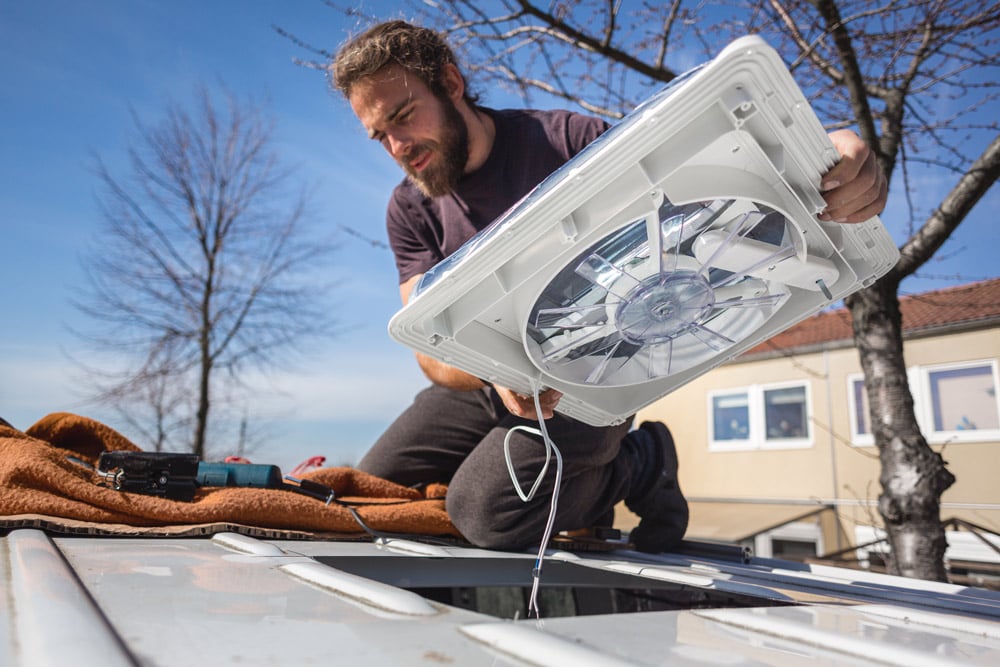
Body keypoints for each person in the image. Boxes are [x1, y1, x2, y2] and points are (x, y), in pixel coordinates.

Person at [331, 20, 888, 552]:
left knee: (483, 513)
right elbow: (429, 352)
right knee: (360, 492)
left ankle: (642, 461)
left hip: (591, 374)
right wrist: (501, 370)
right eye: (379, 136)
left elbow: (705, 183)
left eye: (403, 116)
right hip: (488, 381)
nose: (397, 147)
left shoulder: (568, 143)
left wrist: (831, 156)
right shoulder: (409, 209)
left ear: (450, 84)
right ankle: (580, 478)